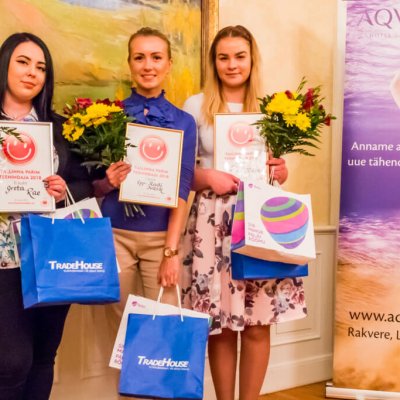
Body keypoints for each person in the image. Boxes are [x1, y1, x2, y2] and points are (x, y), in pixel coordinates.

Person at [181, 25, 307, 400]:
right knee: (219, 324)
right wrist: (207, 176)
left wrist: (280, 170)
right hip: (210, 225)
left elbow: (275, 169)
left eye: (239, 56)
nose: (232, 65)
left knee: (257, 322)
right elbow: (181, 173)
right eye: (223, 57)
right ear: (213, 62)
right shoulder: (195, 106)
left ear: (252, 60)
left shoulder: (272, 107)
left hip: (258, 220)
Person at [0, 32, 93, 400]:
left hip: (52, 253)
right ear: (4, 65)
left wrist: (62, 189)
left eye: (41, 67)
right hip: (4, 258)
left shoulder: (58, 128)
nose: (32, 73)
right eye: (23, 62)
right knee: (11, 362)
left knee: (43, 356)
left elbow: (83, 184)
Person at [92, 27, 196, 329]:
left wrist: (171, 252)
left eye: (156, 57)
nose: (148, 65)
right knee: (119, 330)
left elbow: (182, 189)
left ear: (169, 64)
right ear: (129, 64)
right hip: (114, 235)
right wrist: (108, 183)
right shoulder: (108, 116)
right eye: (139, 57)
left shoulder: (184, 122)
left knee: (162, 327)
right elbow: (93, 186)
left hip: (161, 238)